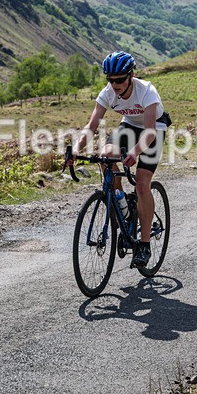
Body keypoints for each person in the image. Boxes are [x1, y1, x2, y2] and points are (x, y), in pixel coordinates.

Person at [68, 51, 168, 267]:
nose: (115, 84)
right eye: (110, 80)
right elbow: (92, 126)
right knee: (106, 155)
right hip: (130, 125)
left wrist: (136, 152)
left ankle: (144, 244)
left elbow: (150, 132)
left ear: (130, 76)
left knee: (142, 184)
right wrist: (76, 149)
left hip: (154, 129)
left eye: (120, 80)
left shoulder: (147, 91)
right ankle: (120, 200)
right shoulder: (108, 93)